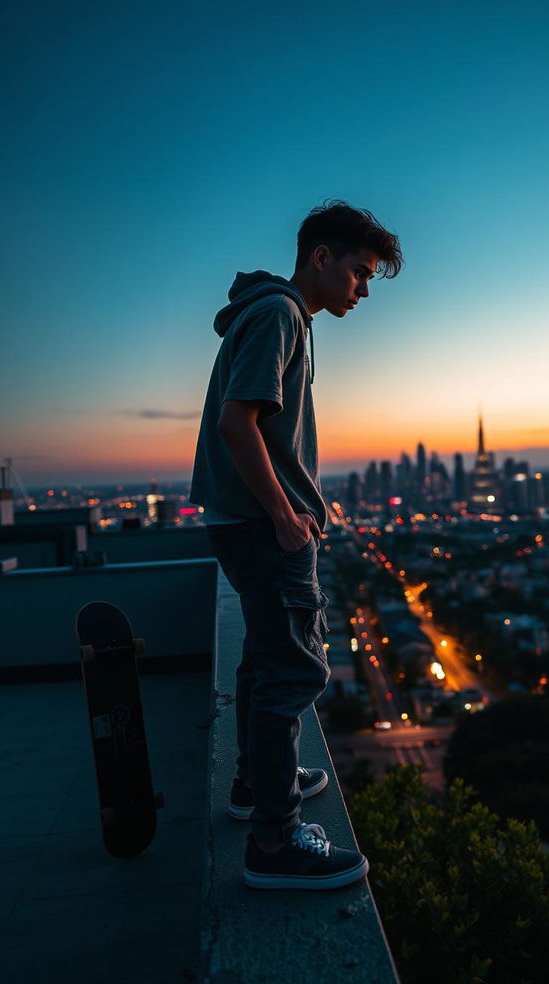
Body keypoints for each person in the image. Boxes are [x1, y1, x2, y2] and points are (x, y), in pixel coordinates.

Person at [189, 200, 403, 889]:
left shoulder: (276, 315)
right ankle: (276, 843)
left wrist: (304, 493)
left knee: (262, 659)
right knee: (293, 672)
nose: (363, 290)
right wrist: (285, 512)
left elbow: (264, 434)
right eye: (361, 274)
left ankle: (257, 784)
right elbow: (236, 422)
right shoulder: (280, 315)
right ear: (321, 258)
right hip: (260, 526)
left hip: (244, 521)